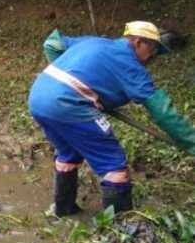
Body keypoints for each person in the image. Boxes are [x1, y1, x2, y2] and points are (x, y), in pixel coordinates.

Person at [28, 21, 195, 216]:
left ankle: (64, 212)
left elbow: (53, 43)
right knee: (115, 167)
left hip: (38, 97)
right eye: (154, 49)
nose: (153, 57)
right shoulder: (131, 67)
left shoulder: (95, 42)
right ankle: (118, 233)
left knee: (68, 156)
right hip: (68, 106)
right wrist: (191, 143)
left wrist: (71, 80)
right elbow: (164, 113)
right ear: (139, 42)